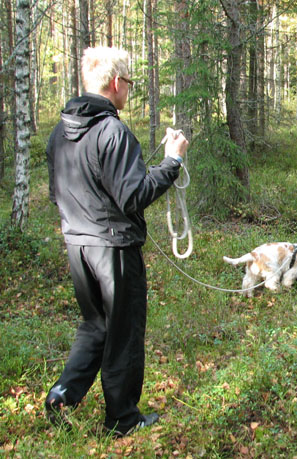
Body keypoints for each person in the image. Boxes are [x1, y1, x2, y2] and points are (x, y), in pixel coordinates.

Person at [45, 46, 188, 437]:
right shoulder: (113, 131)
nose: (130, 90)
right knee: (123, 331)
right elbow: (133, 195)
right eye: (129, 82)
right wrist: (172, 163)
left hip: (78, 246)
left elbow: (57, 192)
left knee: (95, 326)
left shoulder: (60, 131)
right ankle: (123, 419)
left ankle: (62, 394)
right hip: (114, 250)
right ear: (115, 83)